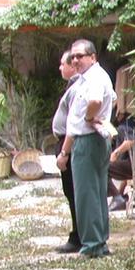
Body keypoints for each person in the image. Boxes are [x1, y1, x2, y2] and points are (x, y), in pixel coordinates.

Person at [56, 39, 116, 258]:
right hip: (93, 139)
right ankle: (99, 242)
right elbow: (111, 99)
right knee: (96, 193)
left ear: (92, 57)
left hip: (88, 140)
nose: (75, 60)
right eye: (73, 57)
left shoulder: (95, 78)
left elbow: (95, 101)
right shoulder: (87, 78)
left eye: (80, 56)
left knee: (86, 195)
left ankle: (92, 245)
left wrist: (91, 117)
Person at [51, 50, 82, 253]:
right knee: (71, 192)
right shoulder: (73, 85)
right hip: (64, 142)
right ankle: (78, 233)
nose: (60, 67)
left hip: (68, 144)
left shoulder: (78, 87)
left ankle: (78, 236)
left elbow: (73, 123)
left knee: (73, 192)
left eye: (63, 64)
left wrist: (64, 152)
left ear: (72, 66)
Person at [107, 114, 135, 212]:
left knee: (104, 167)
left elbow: (131, 141)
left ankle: (117, 197)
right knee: (104, 168)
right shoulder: (113, 144)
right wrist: (120, 192)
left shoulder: (121, 130)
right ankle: (118, 196)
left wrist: (116, 153)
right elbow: (125, 175)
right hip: (133, 166)